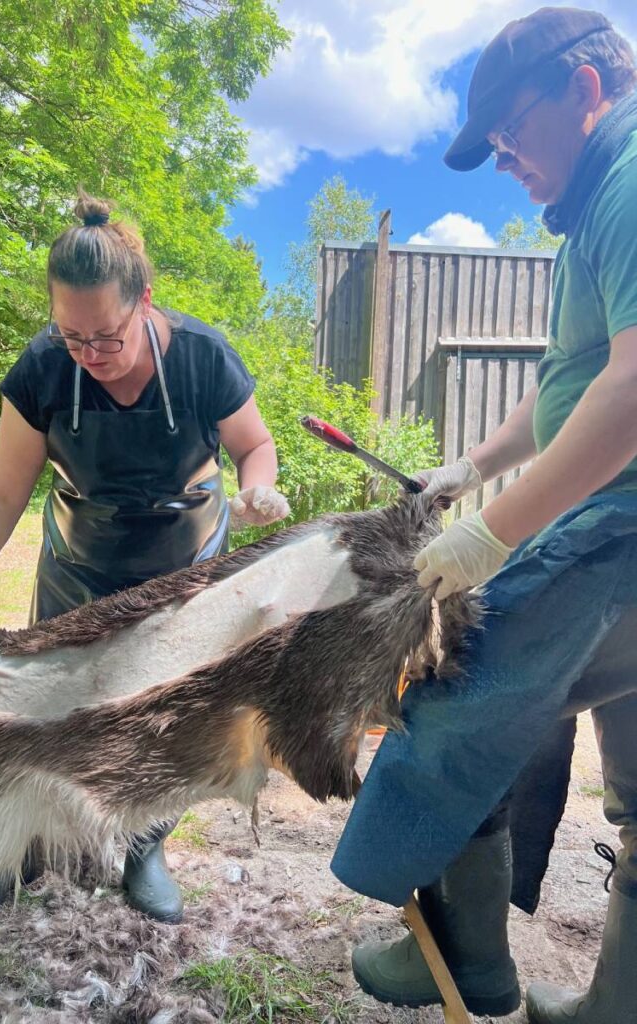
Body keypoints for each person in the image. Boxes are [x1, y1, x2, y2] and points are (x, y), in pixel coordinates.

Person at [349, 8, 637, 1022]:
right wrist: (470, 466)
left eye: (513, 132)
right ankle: (618, 1004)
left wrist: (493, 533)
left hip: (623, 527)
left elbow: (633, 393)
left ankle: (466, 961)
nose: (506, 160)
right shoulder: (596, 205)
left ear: (587, 90)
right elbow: (571, 380)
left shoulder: (634, 179)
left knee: (445, 697)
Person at [0, 191, 290, 923]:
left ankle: (144, 848)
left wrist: (260, 489)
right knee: (46, 708)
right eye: (72, 336)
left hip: (184, 564)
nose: (92, 354)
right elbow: (1, 493)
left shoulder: (204, 357)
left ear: (145, 302)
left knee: (163, 717)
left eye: (107, 336)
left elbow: (254, 445)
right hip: (79, 561)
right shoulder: (43, 370)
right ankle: (22, 849)